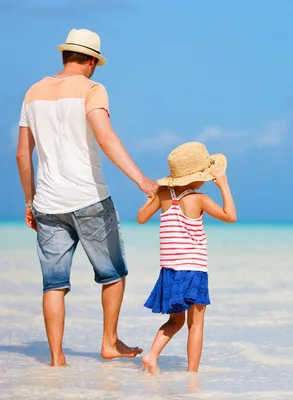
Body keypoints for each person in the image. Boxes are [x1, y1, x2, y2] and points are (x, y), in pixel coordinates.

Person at [15, 28, 158, 366]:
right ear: (92, 61)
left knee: (53, 284)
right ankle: (109, 342)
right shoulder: (93, 89)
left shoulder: (32, 92)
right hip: (89, 200)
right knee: (113, 274)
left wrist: (28, 201)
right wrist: (142, 180)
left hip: (47, 204)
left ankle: (56, 357)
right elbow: (106, 138)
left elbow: (23, 155)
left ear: (65, 56)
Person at [136, 142, 236, 374]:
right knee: (196, 324)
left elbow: (141, 218)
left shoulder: (163, 195)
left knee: (175, 321)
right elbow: (230, 216)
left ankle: (152, 355)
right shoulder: (198, 198)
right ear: (196, 177)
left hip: (170, 271)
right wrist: (224, 186)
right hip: (193, 270)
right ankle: (192, 375)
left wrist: (153, 196)